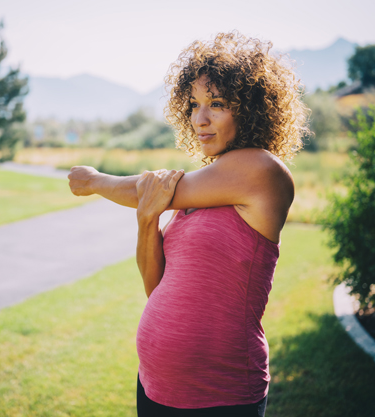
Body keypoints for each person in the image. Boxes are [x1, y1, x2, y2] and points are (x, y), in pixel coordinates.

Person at [68, 31, 309, 417]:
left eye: (217, 104)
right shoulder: (201, 187)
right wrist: (147, 221)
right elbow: (155, 287)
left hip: (220, 394)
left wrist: (96, 180)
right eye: (194, 104)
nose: (200, 119)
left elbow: (147, 188)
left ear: (250, 109)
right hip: (155, 385)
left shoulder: (262, 170)